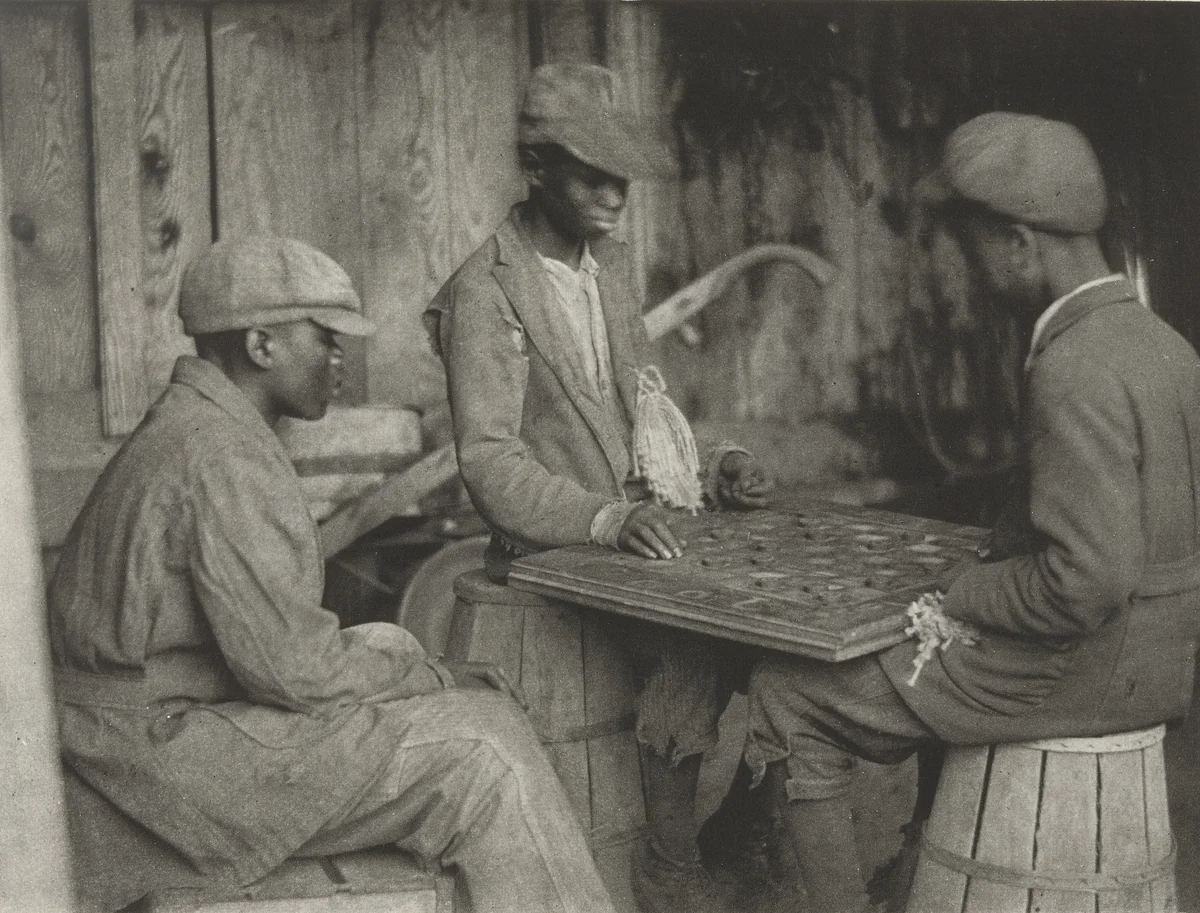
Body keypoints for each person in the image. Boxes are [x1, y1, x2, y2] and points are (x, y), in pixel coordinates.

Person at [49, 235, 616, 913]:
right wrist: (436, 678)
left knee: (393, 645)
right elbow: (292, 670)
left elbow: (278, 651)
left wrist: (414, 669)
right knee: (482, 748)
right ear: (261, 345)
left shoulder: (192, 425)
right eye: (325, 338)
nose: (341, 358)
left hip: (133, 729)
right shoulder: (222, 457)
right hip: (157, 760)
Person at [744, 112, 1200, 913]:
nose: (969, 270)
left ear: (1021, 244)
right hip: (1160, 657)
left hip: (1081, 667)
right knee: (921, 661)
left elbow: (1083, 584)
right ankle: (916, 871)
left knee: (789, 689)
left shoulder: (1074, 368)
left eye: (971, 247)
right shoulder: (1162, 343)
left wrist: (960, 595)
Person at [425, 63, 776, 913]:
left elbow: (645, 407)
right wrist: (608, 517)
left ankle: (725, 826)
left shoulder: (600, 275)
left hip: (626, 533)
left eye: (622, 177)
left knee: (767, 624)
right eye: (593, 175)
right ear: (537, 169)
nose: (616, 195)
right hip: (551, 546)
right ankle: (670, 867)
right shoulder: (488, 291)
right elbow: (491, 464)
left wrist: (718, 457)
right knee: (696, 640)